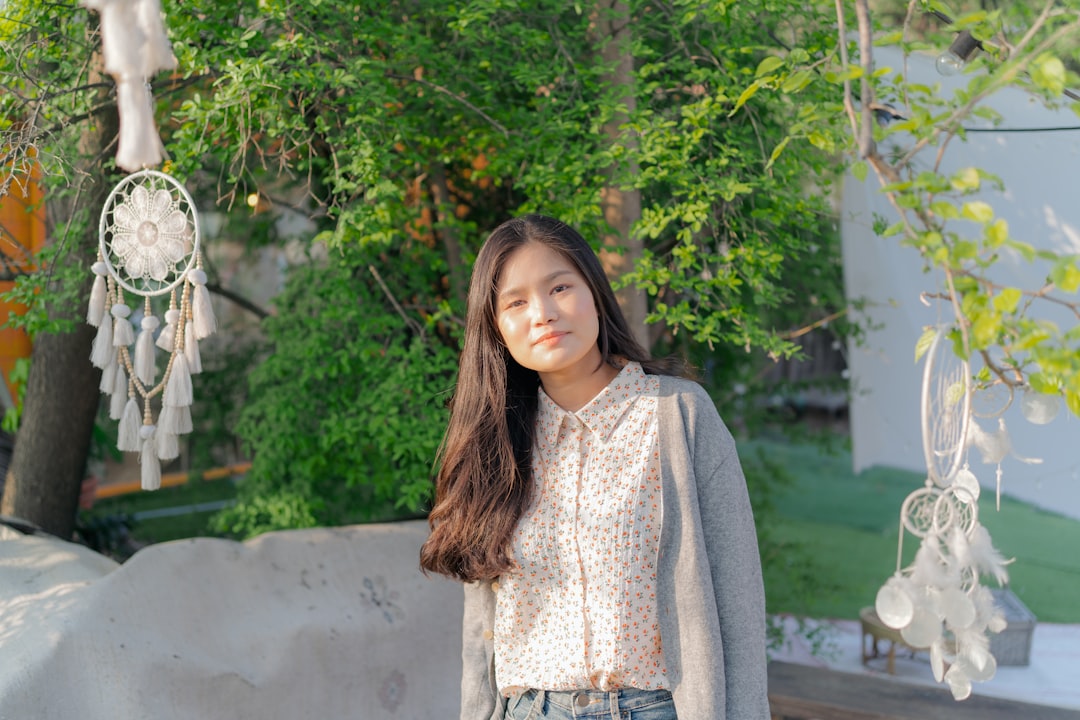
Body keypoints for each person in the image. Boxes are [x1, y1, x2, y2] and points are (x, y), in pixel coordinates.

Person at [420, 215, 769, 720]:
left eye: (560, 287)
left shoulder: (677, 415)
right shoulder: (494, 443)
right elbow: (482, 632)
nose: (542, 313)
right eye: (515, 302)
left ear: (595, 293)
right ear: (495, 327)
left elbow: (737, 599)